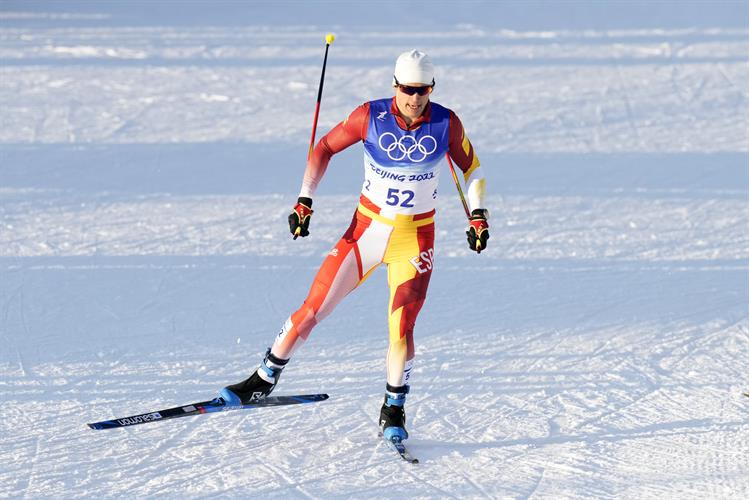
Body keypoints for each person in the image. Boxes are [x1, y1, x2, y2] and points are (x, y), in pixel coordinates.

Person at [220, 49, 489, 442]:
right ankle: (262, 378)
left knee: (401, 328)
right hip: (365, 232)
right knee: (313, 309)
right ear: (395, 85)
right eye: (409, 89)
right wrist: (304, 199)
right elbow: (324, 148)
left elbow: (472, 168)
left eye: (423, 90)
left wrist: (478, 214)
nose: (415, 99)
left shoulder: (446, 122)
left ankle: (393, 409)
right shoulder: (370, 116)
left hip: (414, 239)